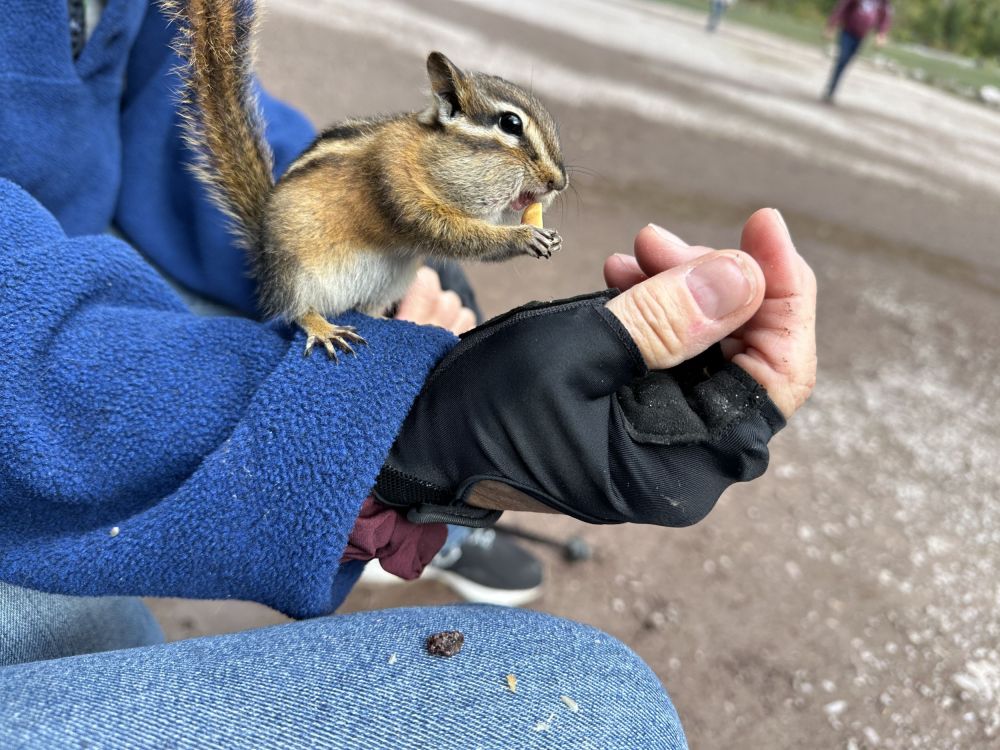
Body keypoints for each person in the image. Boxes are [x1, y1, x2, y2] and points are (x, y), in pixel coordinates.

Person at [0, 1, 817, 747]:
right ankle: (398, 501)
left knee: (415, 339)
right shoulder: (408, 165)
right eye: (510, 139)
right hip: (50, 306)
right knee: (600, 714)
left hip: (77, 234)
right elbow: (409, 211)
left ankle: (422, 516)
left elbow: (154, 102)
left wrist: (436, 319)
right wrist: (391, 434)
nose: (546, 178)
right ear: (448, 111)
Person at [823, 0, 893, 103]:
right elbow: (843, 8)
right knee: (843, 58)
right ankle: (831, 90)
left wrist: (881, 34)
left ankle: (832, 88)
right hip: (847, 32)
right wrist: (832, 25)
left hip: (861, 37)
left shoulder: (883, 2)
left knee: (846, 62)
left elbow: (885, 18)